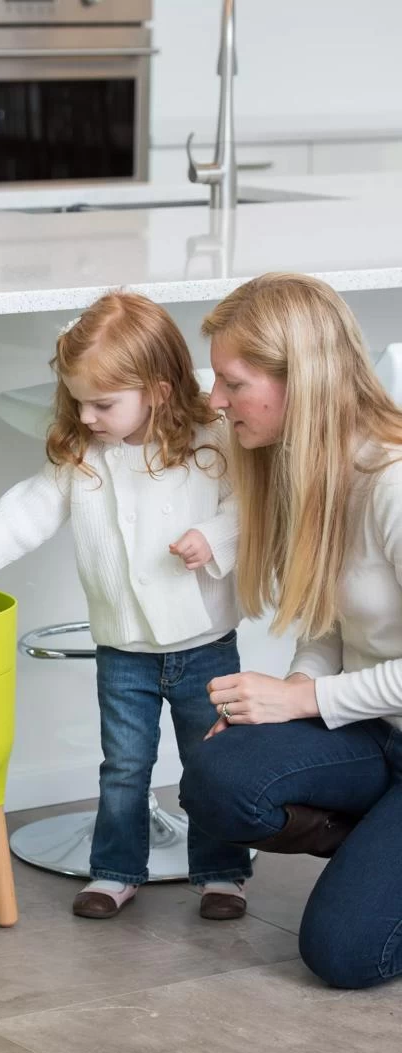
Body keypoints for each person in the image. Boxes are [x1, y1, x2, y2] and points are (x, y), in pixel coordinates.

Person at [0, 291, 252, 922]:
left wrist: (212, 538)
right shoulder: (84, 457)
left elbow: (248, 505)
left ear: (158, 391)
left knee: (212, 760)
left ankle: (221, 872)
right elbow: (28, 507)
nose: (86, 416)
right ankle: (116, 869)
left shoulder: (211, 443)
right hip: (123, 648)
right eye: (78, 400)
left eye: (103, 404)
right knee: (124, 765)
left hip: (205, 645)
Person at [179, 271, 402, 988]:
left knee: (345, 954)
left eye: (232, 383)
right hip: (378, 732)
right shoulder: (319, 474)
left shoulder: (394, 484)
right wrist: (288, 694)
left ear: (298, 382)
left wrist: (301, 701)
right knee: (219, 775)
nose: (215, 401)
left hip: (375, 723)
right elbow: (330, 626)